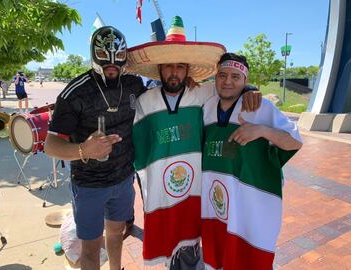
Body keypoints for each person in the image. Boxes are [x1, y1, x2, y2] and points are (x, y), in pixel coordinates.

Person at [128, 16, 261, 269]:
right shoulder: (146, 101)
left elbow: (230, 86)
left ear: (188, 70)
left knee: (191, 242)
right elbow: (139, 148)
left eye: (180, 66)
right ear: (160, 69)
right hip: (162, 190)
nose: (174, 72)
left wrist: (251, 89)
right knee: (170, 241)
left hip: (196, 188)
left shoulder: (202, 93)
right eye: (168, 66)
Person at [44, 26, 145, 270]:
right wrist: (84, 150)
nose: (111, 62)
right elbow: (50, 145)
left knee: (116, 233)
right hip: (89, 184)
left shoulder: (133, 83)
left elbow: (166, 94)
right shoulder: (75, 92)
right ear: (93, 53)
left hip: (123, 179)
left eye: (118, 56)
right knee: (90, 246)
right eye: (104, 54)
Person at [201, 53, 303, 269]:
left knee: (249, 261)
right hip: (216, 209)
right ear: (215, 78)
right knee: (218, 259)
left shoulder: (260, 107)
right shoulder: (207, 108)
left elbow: (295, 142)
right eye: (223, 75)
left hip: (251, 207)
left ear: (245, 81)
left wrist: (262, 130)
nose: (228, 81)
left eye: (236, 77)